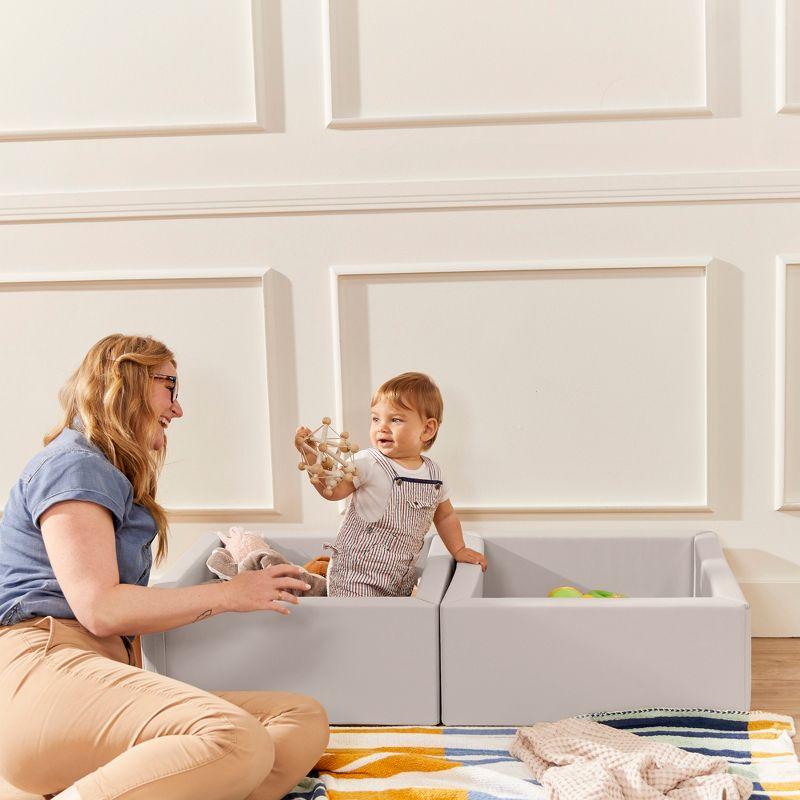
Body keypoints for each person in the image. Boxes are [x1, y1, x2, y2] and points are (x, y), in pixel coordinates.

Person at [0, 334, 328, 800]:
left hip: (95, 677)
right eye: (170, 386)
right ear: (125, 381)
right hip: (45, 671)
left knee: (300, 717)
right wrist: (230, 595)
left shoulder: (100, 470)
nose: (178, 409)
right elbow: (100, 609)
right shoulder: (74, 466)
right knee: (235, 738)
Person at [295, 372, 487, 597]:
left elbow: (445, 516)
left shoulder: (434, 474)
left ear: (427, 429)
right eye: (376, 419)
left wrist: (459, 549)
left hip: (399, 579)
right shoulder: (368, 462)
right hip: (355, 577)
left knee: (391, 627)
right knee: (362, 626)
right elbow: (334, 491)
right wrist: (311, 459)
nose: (382, 428)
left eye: (395, 420)